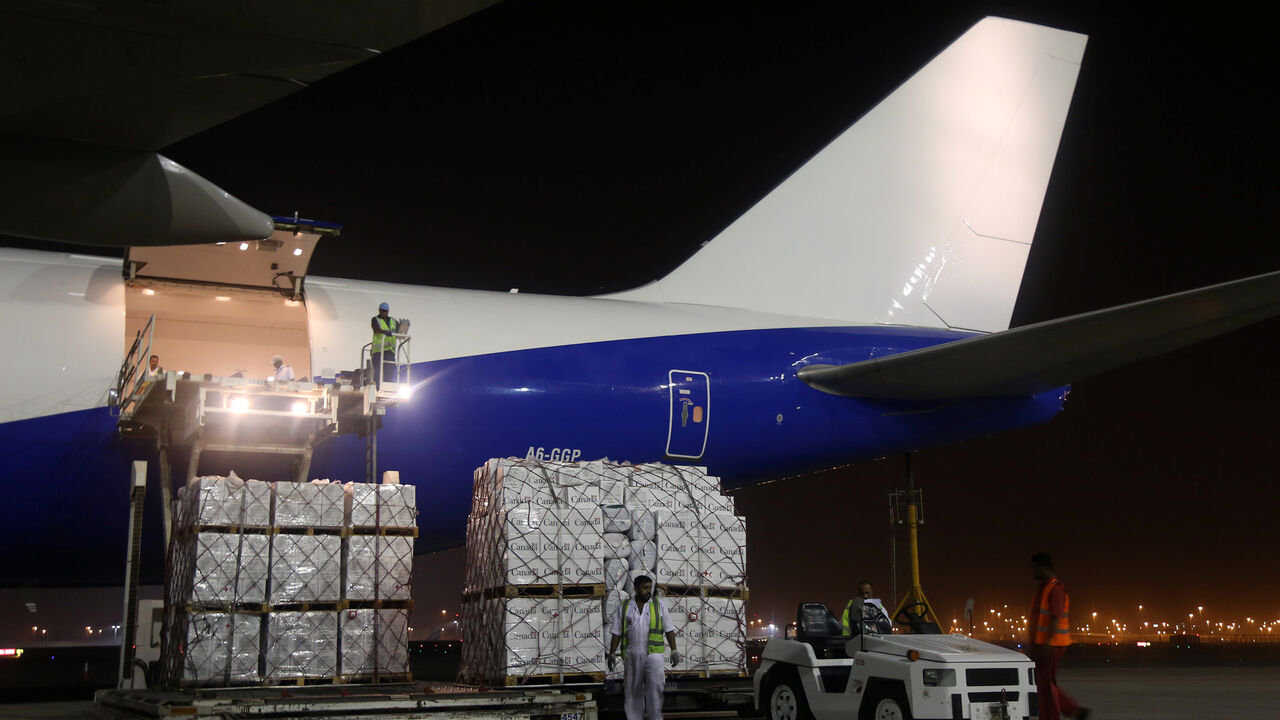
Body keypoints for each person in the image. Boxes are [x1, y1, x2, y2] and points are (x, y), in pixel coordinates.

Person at [607, 576, 679, 720]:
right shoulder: (626, 606)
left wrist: (674, 650)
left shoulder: (658, 605)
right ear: (636, 589)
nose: (648, 591)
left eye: (650, 588)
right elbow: (616, 632)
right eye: (645, 588)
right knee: (633, 691)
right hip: (632, 654)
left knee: (654, 688)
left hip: (654, 655)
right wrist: (612, 653)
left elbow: (669, 629)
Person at [1028, 552, 1090, 720]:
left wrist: (1048, 642)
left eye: (1035, 568)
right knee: (1043, 683)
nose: (1032, 572)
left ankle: (1061, 713)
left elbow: (1056, 617)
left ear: (1043, 568)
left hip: (1052, 645)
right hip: (1042, 644)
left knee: (1045, 684)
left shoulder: (1055, 589)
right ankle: (1073, 710)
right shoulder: (1044, 588)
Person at [370, 302, 398, 387]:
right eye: (382, 311)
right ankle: (378, 388)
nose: (384, 313)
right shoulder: (375, 319)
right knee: (378, 372)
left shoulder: (393, 321)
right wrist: (386, 332)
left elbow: (398, 331)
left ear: (388, 311)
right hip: (379, 351)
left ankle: (388, 387)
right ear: (379, 310)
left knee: (389, 371)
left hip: (390, 351)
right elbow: (377, 329)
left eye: (385, 311)